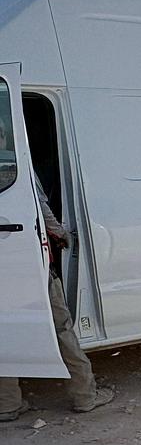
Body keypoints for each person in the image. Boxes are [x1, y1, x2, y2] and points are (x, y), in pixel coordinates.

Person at [0, 119, 112, 420]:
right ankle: (85, 395)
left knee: (4, 328)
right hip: (30, 265)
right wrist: (62, 233)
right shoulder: (13, 167)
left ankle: (8, 403)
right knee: (61, 327)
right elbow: (42, 212)